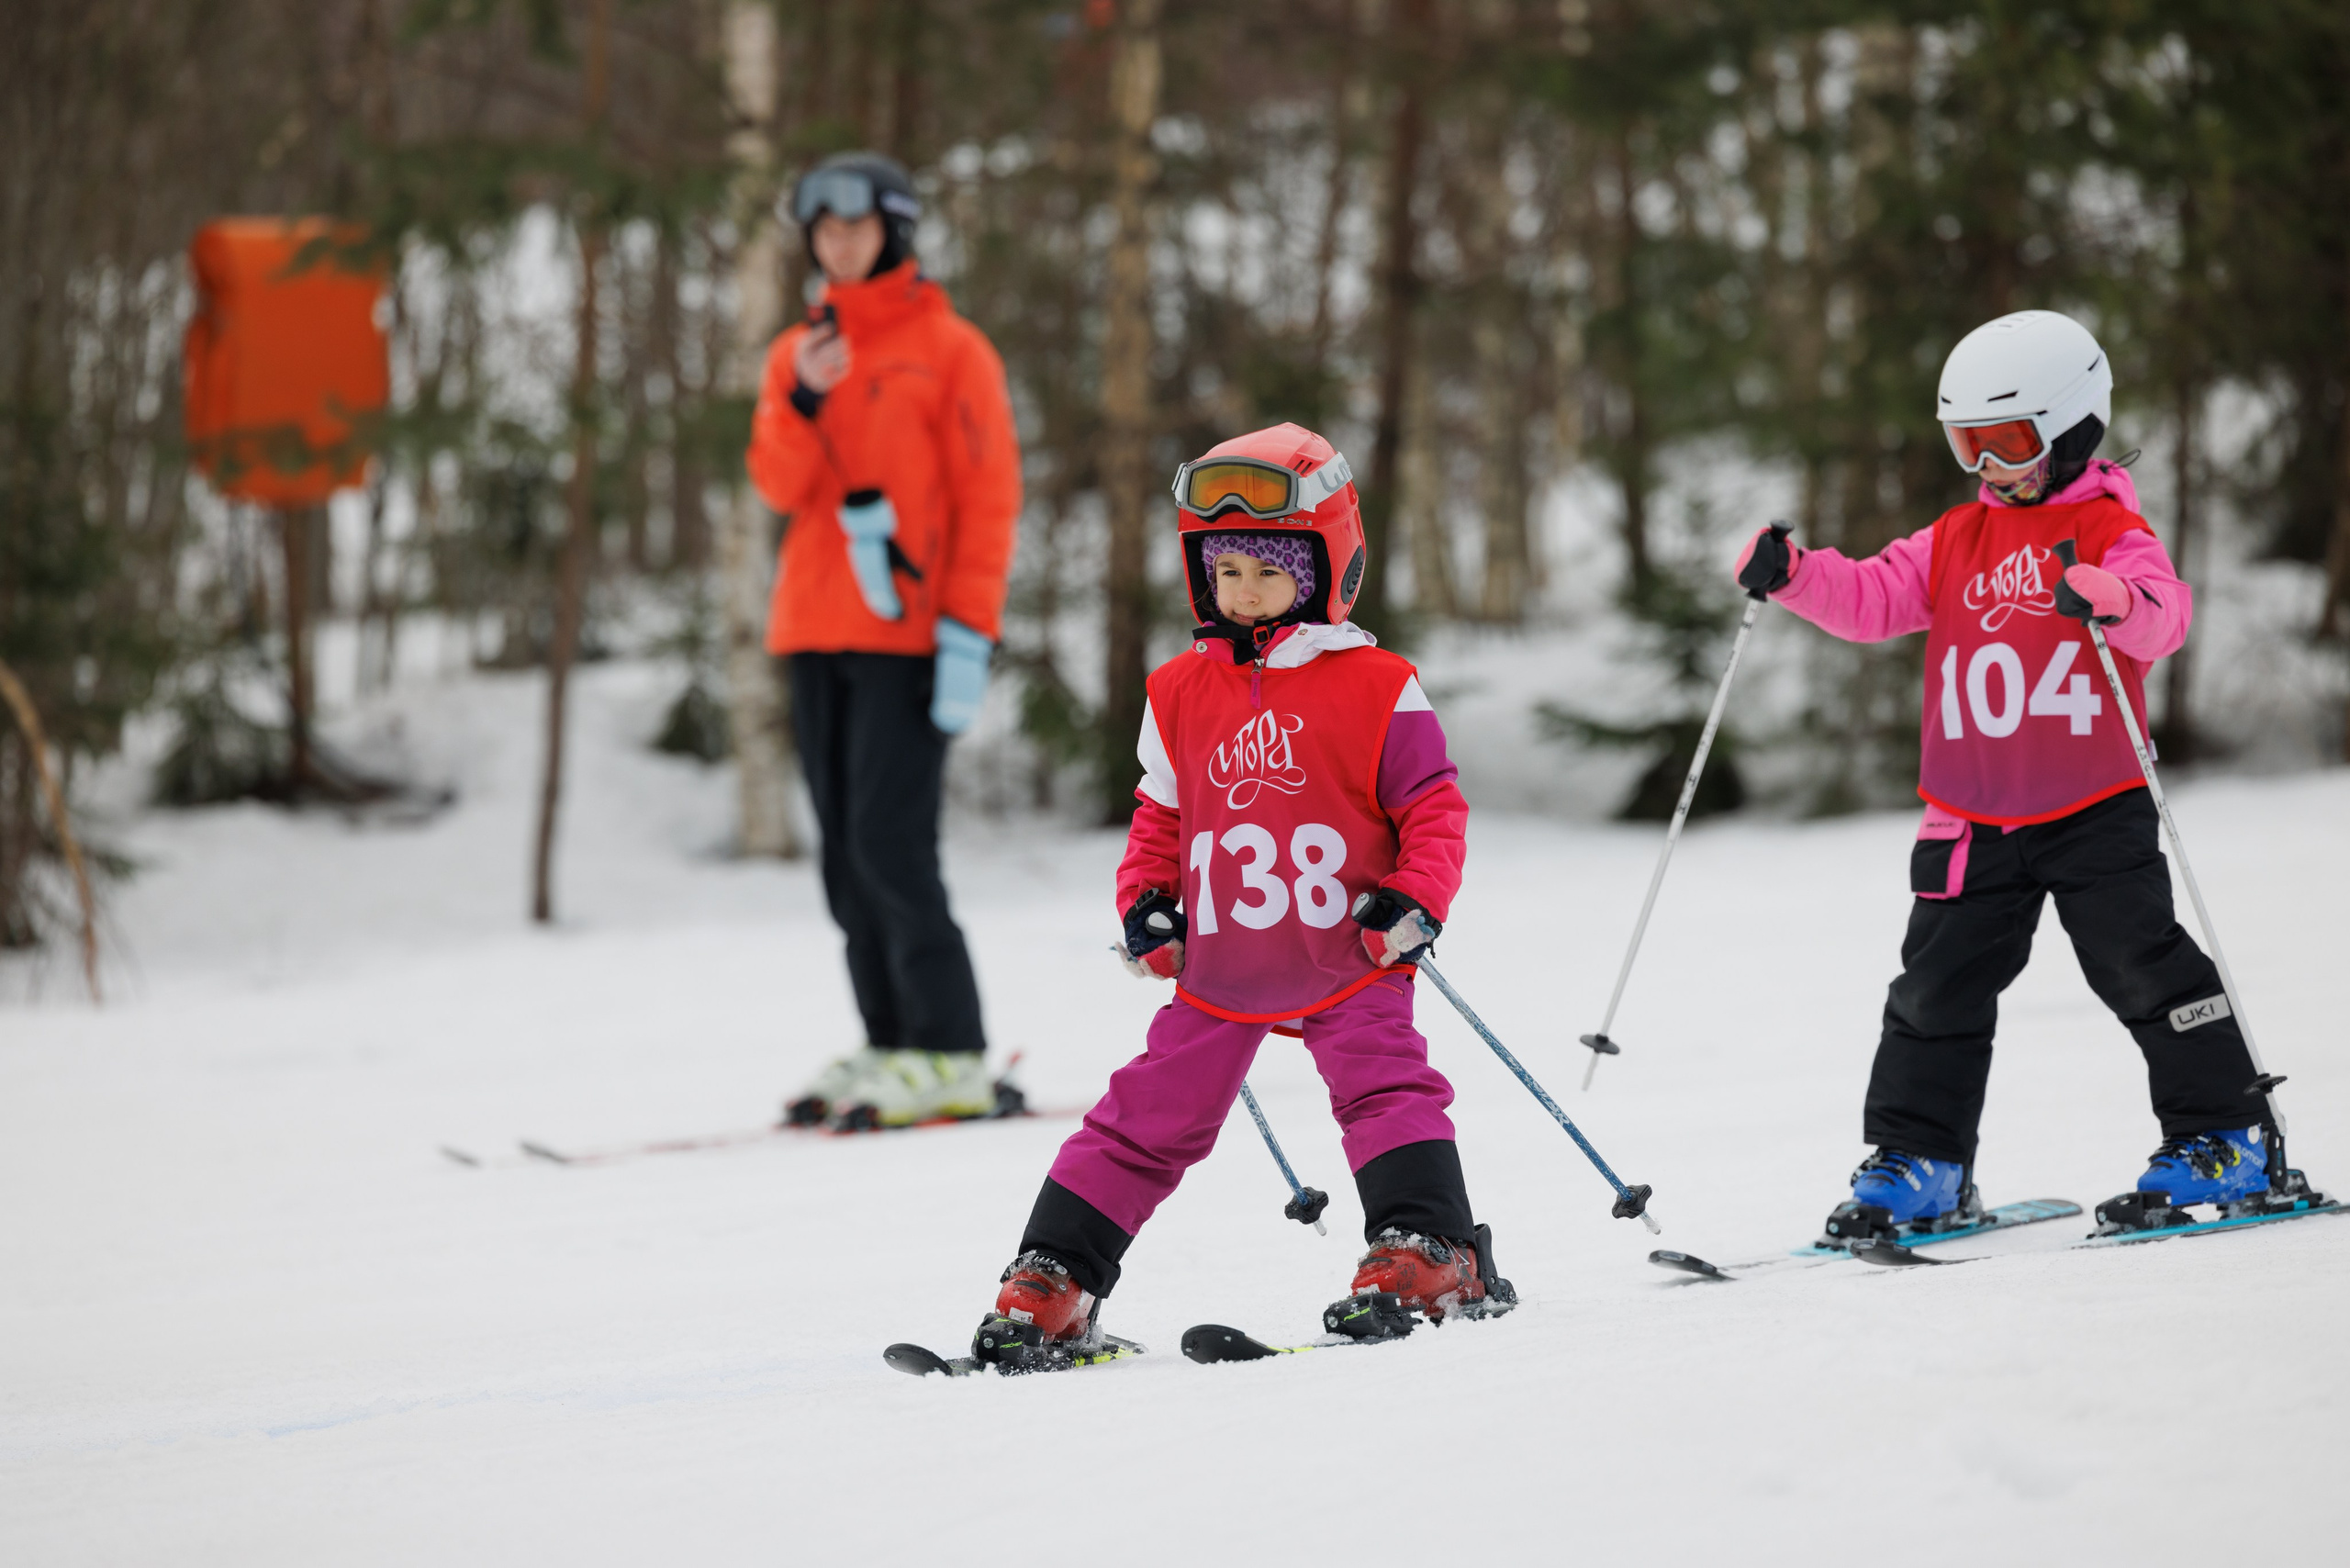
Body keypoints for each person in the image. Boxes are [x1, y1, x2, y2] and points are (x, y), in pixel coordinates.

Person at [965, 422, 1515, 1371]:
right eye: (1225, 571)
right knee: (1145, 1115)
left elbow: (1432, 805)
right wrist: (1148, 902)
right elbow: (1160, 816)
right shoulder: (1178, 690)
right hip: (1225, 963)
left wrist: (1414, 896)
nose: (1244, 590)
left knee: (1384, 1088)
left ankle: (1426, 1251)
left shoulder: (1378, 684)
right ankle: (1051, 1278)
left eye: (1268, 570)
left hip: (1351, 952)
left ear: (1324, 568)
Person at [1732, 308, 2270, 1239]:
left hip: (2093, 800)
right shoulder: (1954, 537)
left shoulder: (2108, 528)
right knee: (1933, 988)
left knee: (2140, 965)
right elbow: (1871, 597)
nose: (1988, 467)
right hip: (1971, 813)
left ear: (2073, 428)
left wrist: (2117, 599)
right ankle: (1923, 1162)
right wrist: (1794, 575)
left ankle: (2227, 1135)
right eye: (1967, 445)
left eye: (2009, 443)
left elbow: (2165, 615)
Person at [745, 151, 1021, 1130]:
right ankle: (891, 1038)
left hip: (911, 636)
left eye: (855, 228)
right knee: (842, 854)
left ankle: (949, 1047)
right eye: (823, 230)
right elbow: (778, 484)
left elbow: (989, 499)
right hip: (812, 624)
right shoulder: (796, 354)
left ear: (894, 231)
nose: (837, 244)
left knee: (890, 842)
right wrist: (802, 399)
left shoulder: (953, 351)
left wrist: (968, 630)